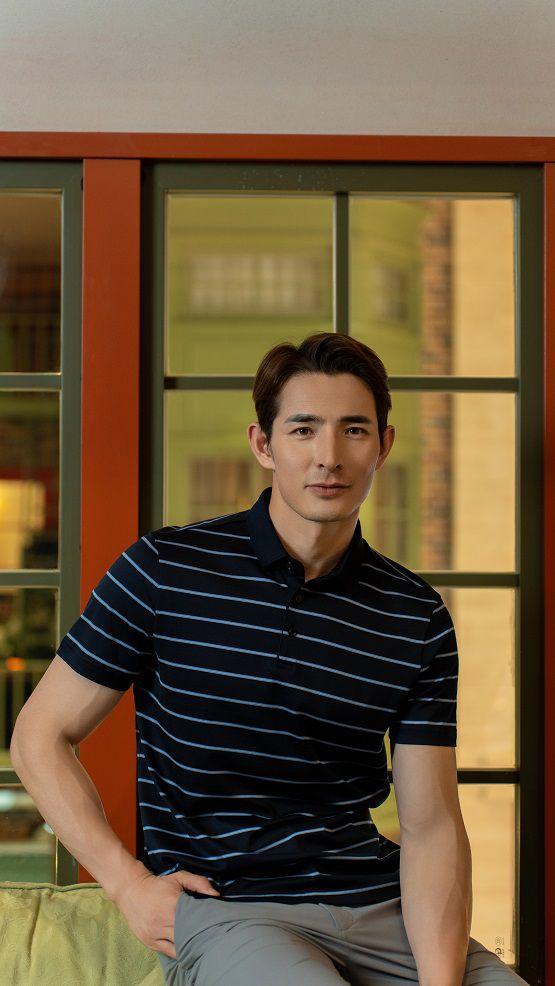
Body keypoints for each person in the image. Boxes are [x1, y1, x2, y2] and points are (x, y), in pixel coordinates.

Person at [10, 332, 528, 985]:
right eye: (303, 430)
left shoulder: (412, 613)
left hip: (380, 908)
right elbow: (38, 736)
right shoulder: (165, 570)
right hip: (234, 912)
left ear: (383, 446)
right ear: (263, 444)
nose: (328, 456)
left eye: (354, 430)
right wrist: (126, 883)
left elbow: (430, 827)